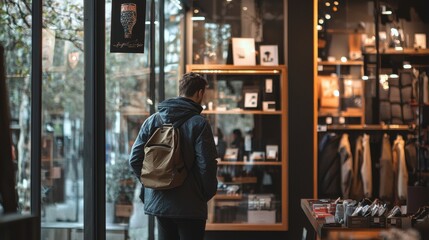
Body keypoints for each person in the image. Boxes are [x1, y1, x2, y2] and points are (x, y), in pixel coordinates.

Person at [129, 72, 218, 240]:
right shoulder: (199, 123)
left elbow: (134, 159)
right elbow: (207, 164)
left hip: (159, 201)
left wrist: (152, 182)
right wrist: (205, 193)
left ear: (180, 90)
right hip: (190, 204)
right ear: (199, 93)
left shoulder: (152, 121)